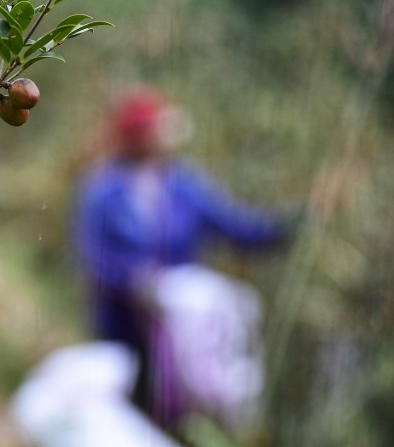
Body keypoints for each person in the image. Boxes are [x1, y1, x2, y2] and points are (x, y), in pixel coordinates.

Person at [74, 86, 293, 425]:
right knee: (133, 410)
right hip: (125, 326)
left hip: (180, 328)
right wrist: (136, 282)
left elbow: (233, 226)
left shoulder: (182, 185)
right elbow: (96, 258)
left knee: (181, 412)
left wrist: (283, 229)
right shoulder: (104, 190)